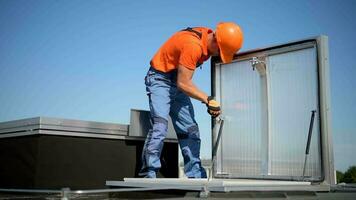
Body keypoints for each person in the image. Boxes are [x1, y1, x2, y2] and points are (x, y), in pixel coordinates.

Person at [139, 22, 243, 178]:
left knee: (190, 129)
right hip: (160, 79)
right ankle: (148, 174)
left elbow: (181, 82)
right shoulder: (193, 46)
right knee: (160, 125)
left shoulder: (207, 37)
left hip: (177, 81)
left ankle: (195, 174)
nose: (218, 56)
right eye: (220, 52)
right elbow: (183, 83)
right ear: (215, 41)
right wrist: (207, 99)